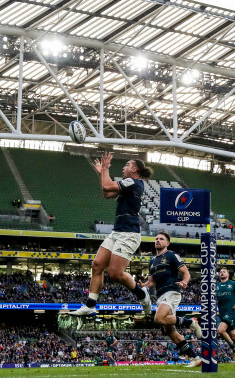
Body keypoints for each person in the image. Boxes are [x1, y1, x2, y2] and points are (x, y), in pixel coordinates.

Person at [71, 152, 153, 316]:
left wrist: (106, 168)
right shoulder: (128, 184)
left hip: (129, 234)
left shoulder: (134, 182)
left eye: (127, 165)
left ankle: (142, 294)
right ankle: (90, 305)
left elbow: (108, 186)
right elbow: (106, 193)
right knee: (97, 265)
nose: (124, 167)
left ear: (135, 169)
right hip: (117, 232)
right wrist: (102, 173)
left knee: (115, 274)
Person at [138, 230, 202, 367]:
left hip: (172, 292)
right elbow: (151, 283)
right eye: (156, 239)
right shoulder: (152, 262)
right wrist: (142, 285)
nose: (158, 240)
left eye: (161, 239)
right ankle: (195, 358)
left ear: (167, 243)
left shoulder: (171, 255)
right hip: (160, 296)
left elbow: (186, 272)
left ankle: (191, 322)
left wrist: (185, 281)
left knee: (158, 318)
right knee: (169, 331)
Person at [216, 267, 235, 363]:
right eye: (220, 272)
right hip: (221, 313)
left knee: (220, 331)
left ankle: (234, 349)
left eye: (224, 271)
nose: (221, 273)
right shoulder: (217, 286)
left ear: (228, 275)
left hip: (230, 312)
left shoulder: (233, 284)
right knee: (233, 335)